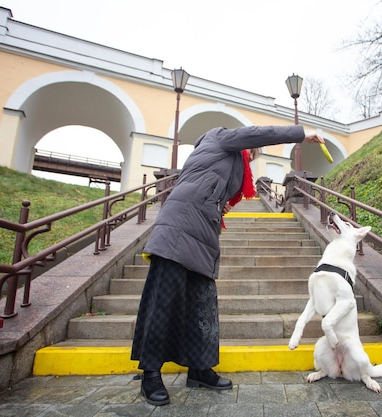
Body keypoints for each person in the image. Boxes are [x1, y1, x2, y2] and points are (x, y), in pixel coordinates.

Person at [131, 125, 325, 406]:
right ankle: (150, 374)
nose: (253, 154)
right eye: (254, 149)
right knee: (163, 300)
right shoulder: (219, 136)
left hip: (203, 231)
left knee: (203, 304)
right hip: (179, 225)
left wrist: (219, 203)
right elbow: (261, 133)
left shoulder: (231, 160)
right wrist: (300, 134)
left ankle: (199, 368)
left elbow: (211, 185)